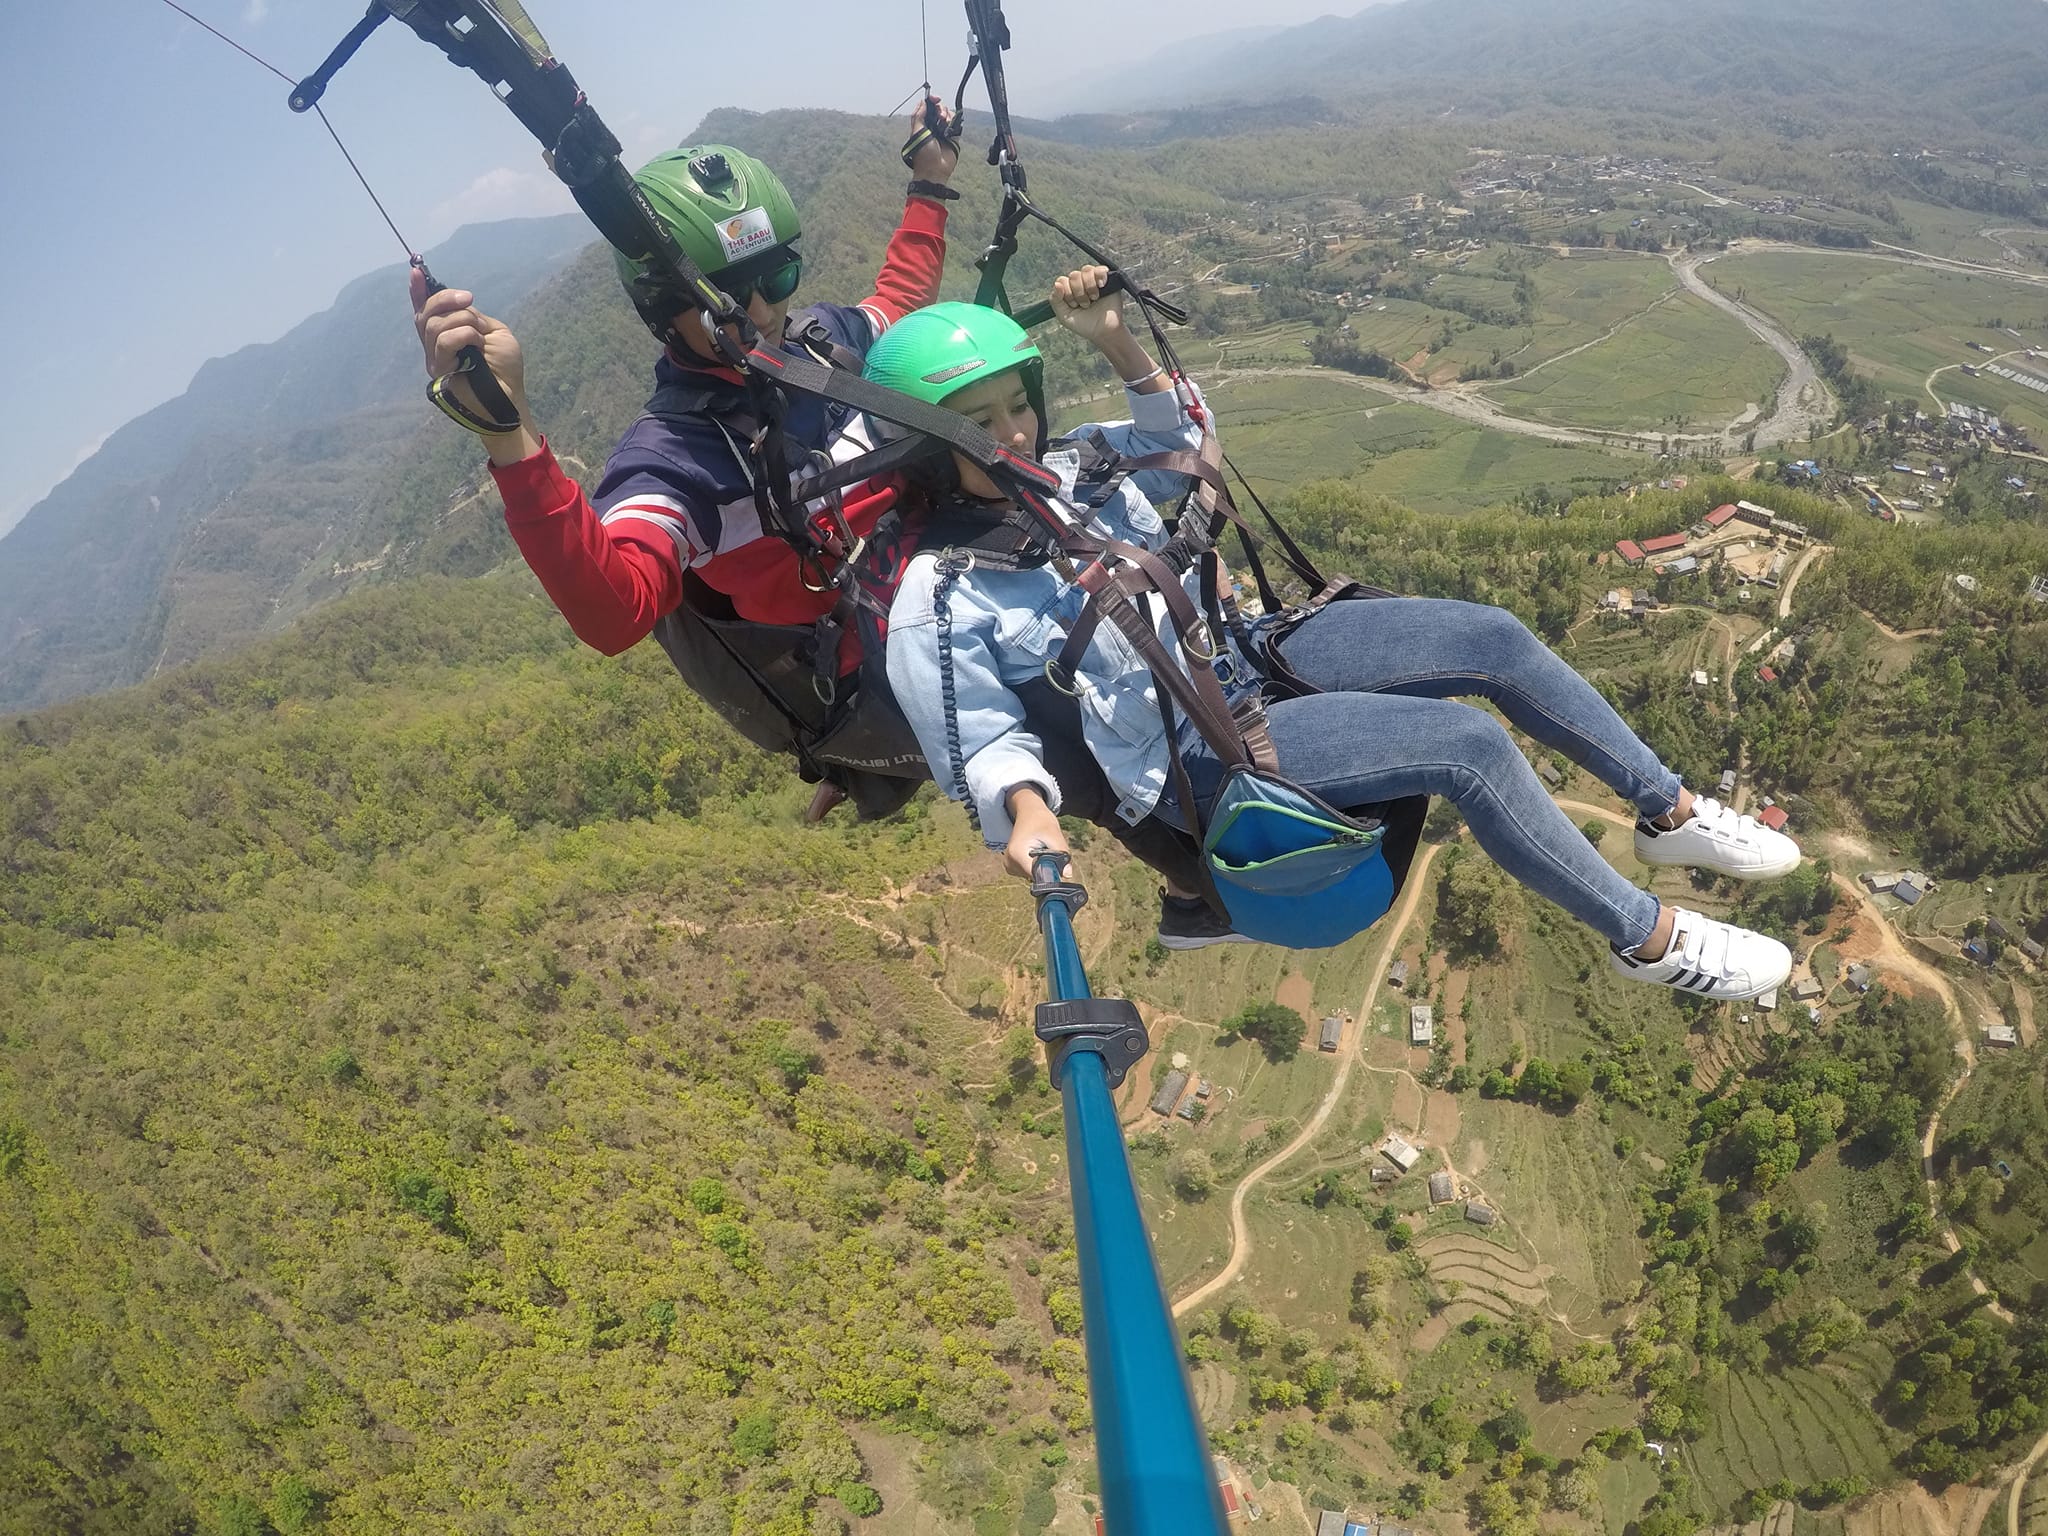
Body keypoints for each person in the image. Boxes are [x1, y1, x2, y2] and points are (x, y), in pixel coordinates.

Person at [875, 270, 1802, 1000]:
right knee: (1469, 747)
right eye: (977, 423)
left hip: (1246, 652)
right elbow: (983, 742)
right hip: (1192, 753)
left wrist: (1115, 339)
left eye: (1015, 405)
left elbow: (1193, 441)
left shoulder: (1076, 460)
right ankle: (1647, 938)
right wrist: (1027, 812)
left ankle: (1669, 813)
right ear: (926, 447)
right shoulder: (943, 591)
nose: (1013, 433)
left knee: (1496, 637)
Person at [410, 115, 964, 817]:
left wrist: (929, 183)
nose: (764, 311)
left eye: (778, 275)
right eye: (731, 297)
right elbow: (616, 612)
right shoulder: (675, 462)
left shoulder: (818, 343)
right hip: (888, 664)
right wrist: (509, 434)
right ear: (663, 311)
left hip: (931, 589)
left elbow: (898, 298)